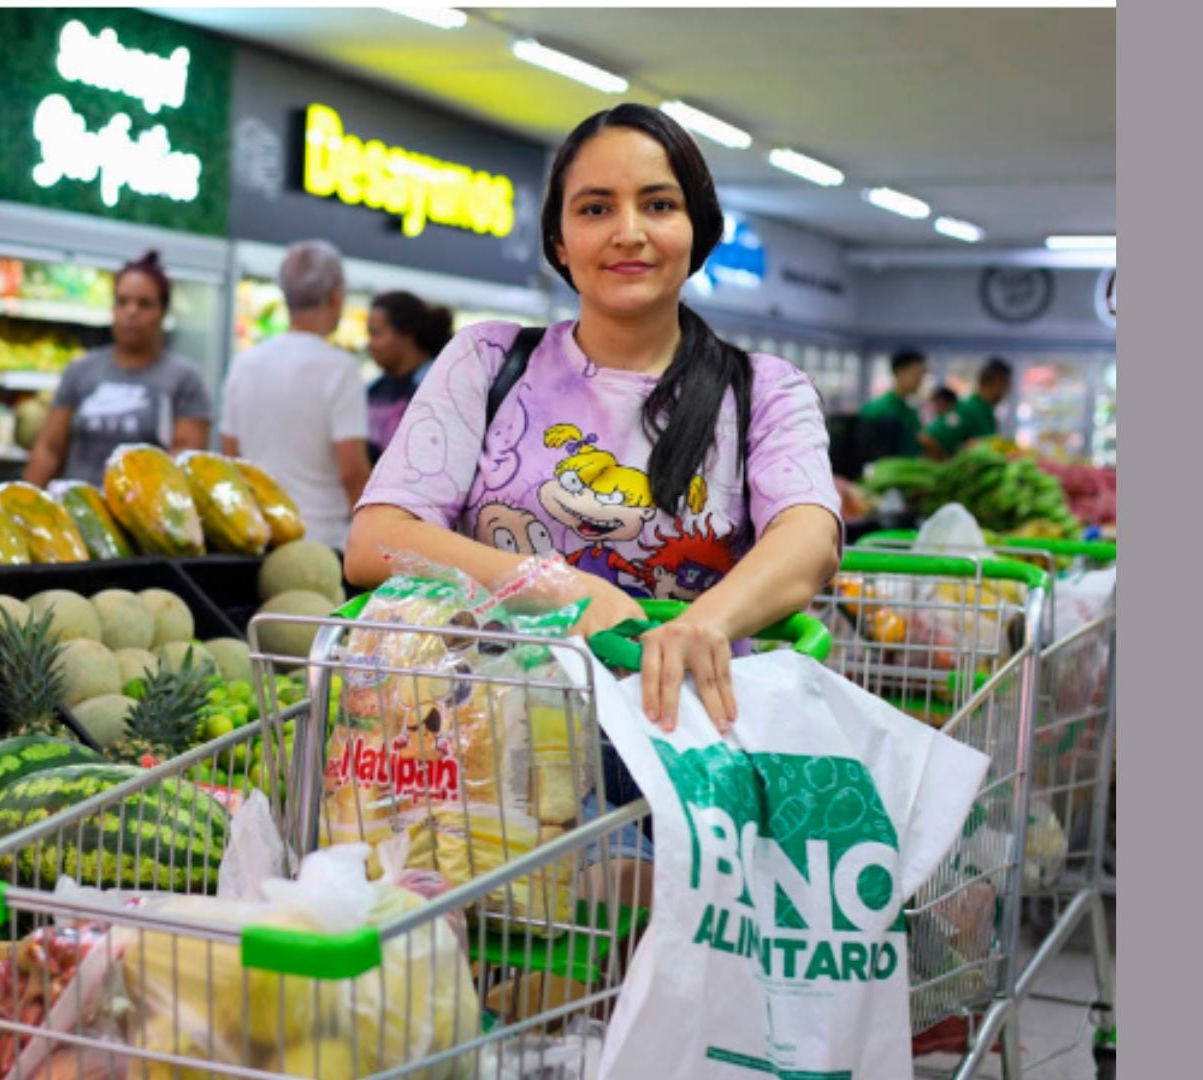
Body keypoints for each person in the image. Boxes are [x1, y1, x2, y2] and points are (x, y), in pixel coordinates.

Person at [346, 103, 842, 736]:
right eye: (595, 209)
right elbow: (377, 539)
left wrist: (701, 625)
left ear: (697, 230)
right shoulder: (488, 361)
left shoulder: (763, 390)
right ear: (558, 240)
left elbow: (809, 539)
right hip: (486, 740)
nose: (628, 232)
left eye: (659, 205)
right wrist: (552, 588)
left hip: (684, 735)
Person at [219, 240, 372, 551]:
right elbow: (352, 472)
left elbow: (231, 458)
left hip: (258, 537)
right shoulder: (340, 368)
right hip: (320, 541)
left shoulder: (245, 363)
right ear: (336, 296)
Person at [24, 250, 213, 486]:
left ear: (163, 312)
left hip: (144, 508)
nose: (131, 312)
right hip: (79, 507)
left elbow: (185, 460)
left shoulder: (185, 379)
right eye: (122, 301)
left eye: (144, 304)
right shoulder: (80, 371)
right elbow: (49, 449)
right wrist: (24, 502)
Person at [365, 291, 454, 464]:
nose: (369, 344)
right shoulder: (372, 389)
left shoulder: (437, 391)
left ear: (405, 334)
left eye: (375, 334)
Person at [931, 357, 1013, 455]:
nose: (1007, 391)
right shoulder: (969, 409)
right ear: (996, 381)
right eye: (1006, 384)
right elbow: (929, 437)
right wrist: (950, 462)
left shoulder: (987, 411)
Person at [857, 350, 930, 459]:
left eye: (922, 374)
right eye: (916, 373)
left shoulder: (910, 411)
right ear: (899, 372)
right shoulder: (878, 410)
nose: (920, 379)